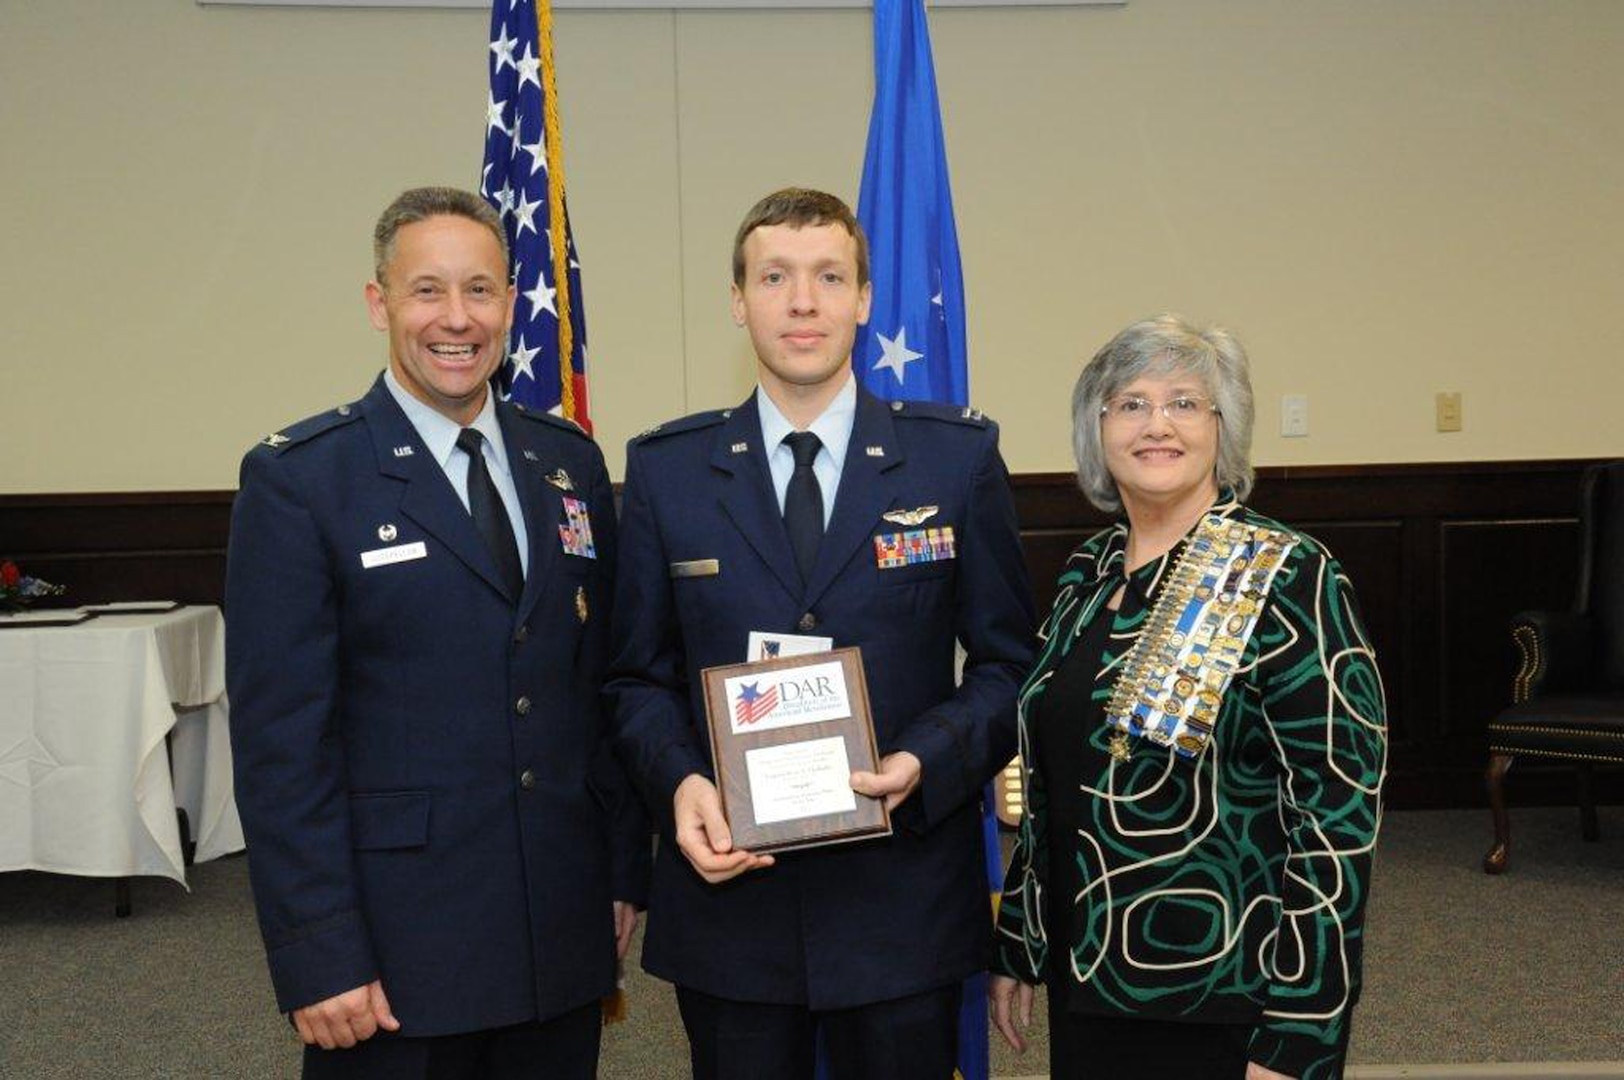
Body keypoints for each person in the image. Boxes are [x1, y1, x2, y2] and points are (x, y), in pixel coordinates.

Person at [604, 188, 1036, 1080]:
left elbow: (1007, 665)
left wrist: (925, 760)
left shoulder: (955, 460)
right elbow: (633, 679)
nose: (802, 302)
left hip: (900, 898)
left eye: (828, 276)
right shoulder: (666, 472)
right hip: (733, 902)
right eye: (775, 277)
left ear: (864, 299)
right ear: (739, 301)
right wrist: (681, 781)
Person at [226, 186, 648, 1080]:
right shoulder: (305, 481)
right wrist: (318, 950)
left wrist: (619, 873)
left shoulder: (566, 460)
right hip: (393, 953)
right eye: (427, 291)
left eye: (481, 290)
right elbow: (280, 747)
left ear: (510, 303)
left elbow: (590, 688)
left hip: (557, 928)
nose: (456, 319)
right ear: (379, 302)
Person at [988, 314, 1386, 1080]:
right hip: (1090, 972)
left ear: (1222, 428)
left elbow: (1339, 813)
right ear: (1096, 429)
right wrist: (1021, 942)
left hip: (1225, 994)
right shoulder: (1087, 575)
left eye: (1183, 403)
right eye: (1130, 403)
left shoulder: (1288, 574)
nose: (1156, 424)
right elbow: (1053, 781)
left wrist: (1304, 1028)